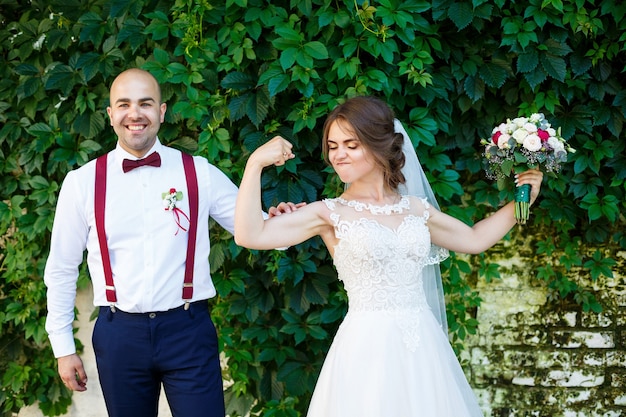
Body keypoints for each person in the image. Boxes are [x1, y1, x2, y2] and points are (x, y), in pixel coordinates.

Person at [234, 96, 544, 416]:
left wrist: (524, 200)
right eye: (333, 145)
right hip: (367, 349)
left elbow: (475, 239)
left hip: (422, 345)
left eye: (351, 145)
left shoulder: (414, 209)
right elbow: (249, 235)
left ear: (379, 144)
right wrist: (255, 163)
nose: (339, 155)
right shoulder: (328, 213)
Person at [44, 68, 299, 417]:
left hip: (188, 331)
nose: (135, 114)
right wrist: (62, 346)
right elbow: (61, 268)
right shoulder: (82, 183)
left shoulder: (199, 172)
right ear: (110, 115)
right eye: (124, 104)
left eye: (145, 104)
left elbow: (253, 229)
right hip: (120, 335)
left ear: (162, 112)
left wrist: (284, 221)